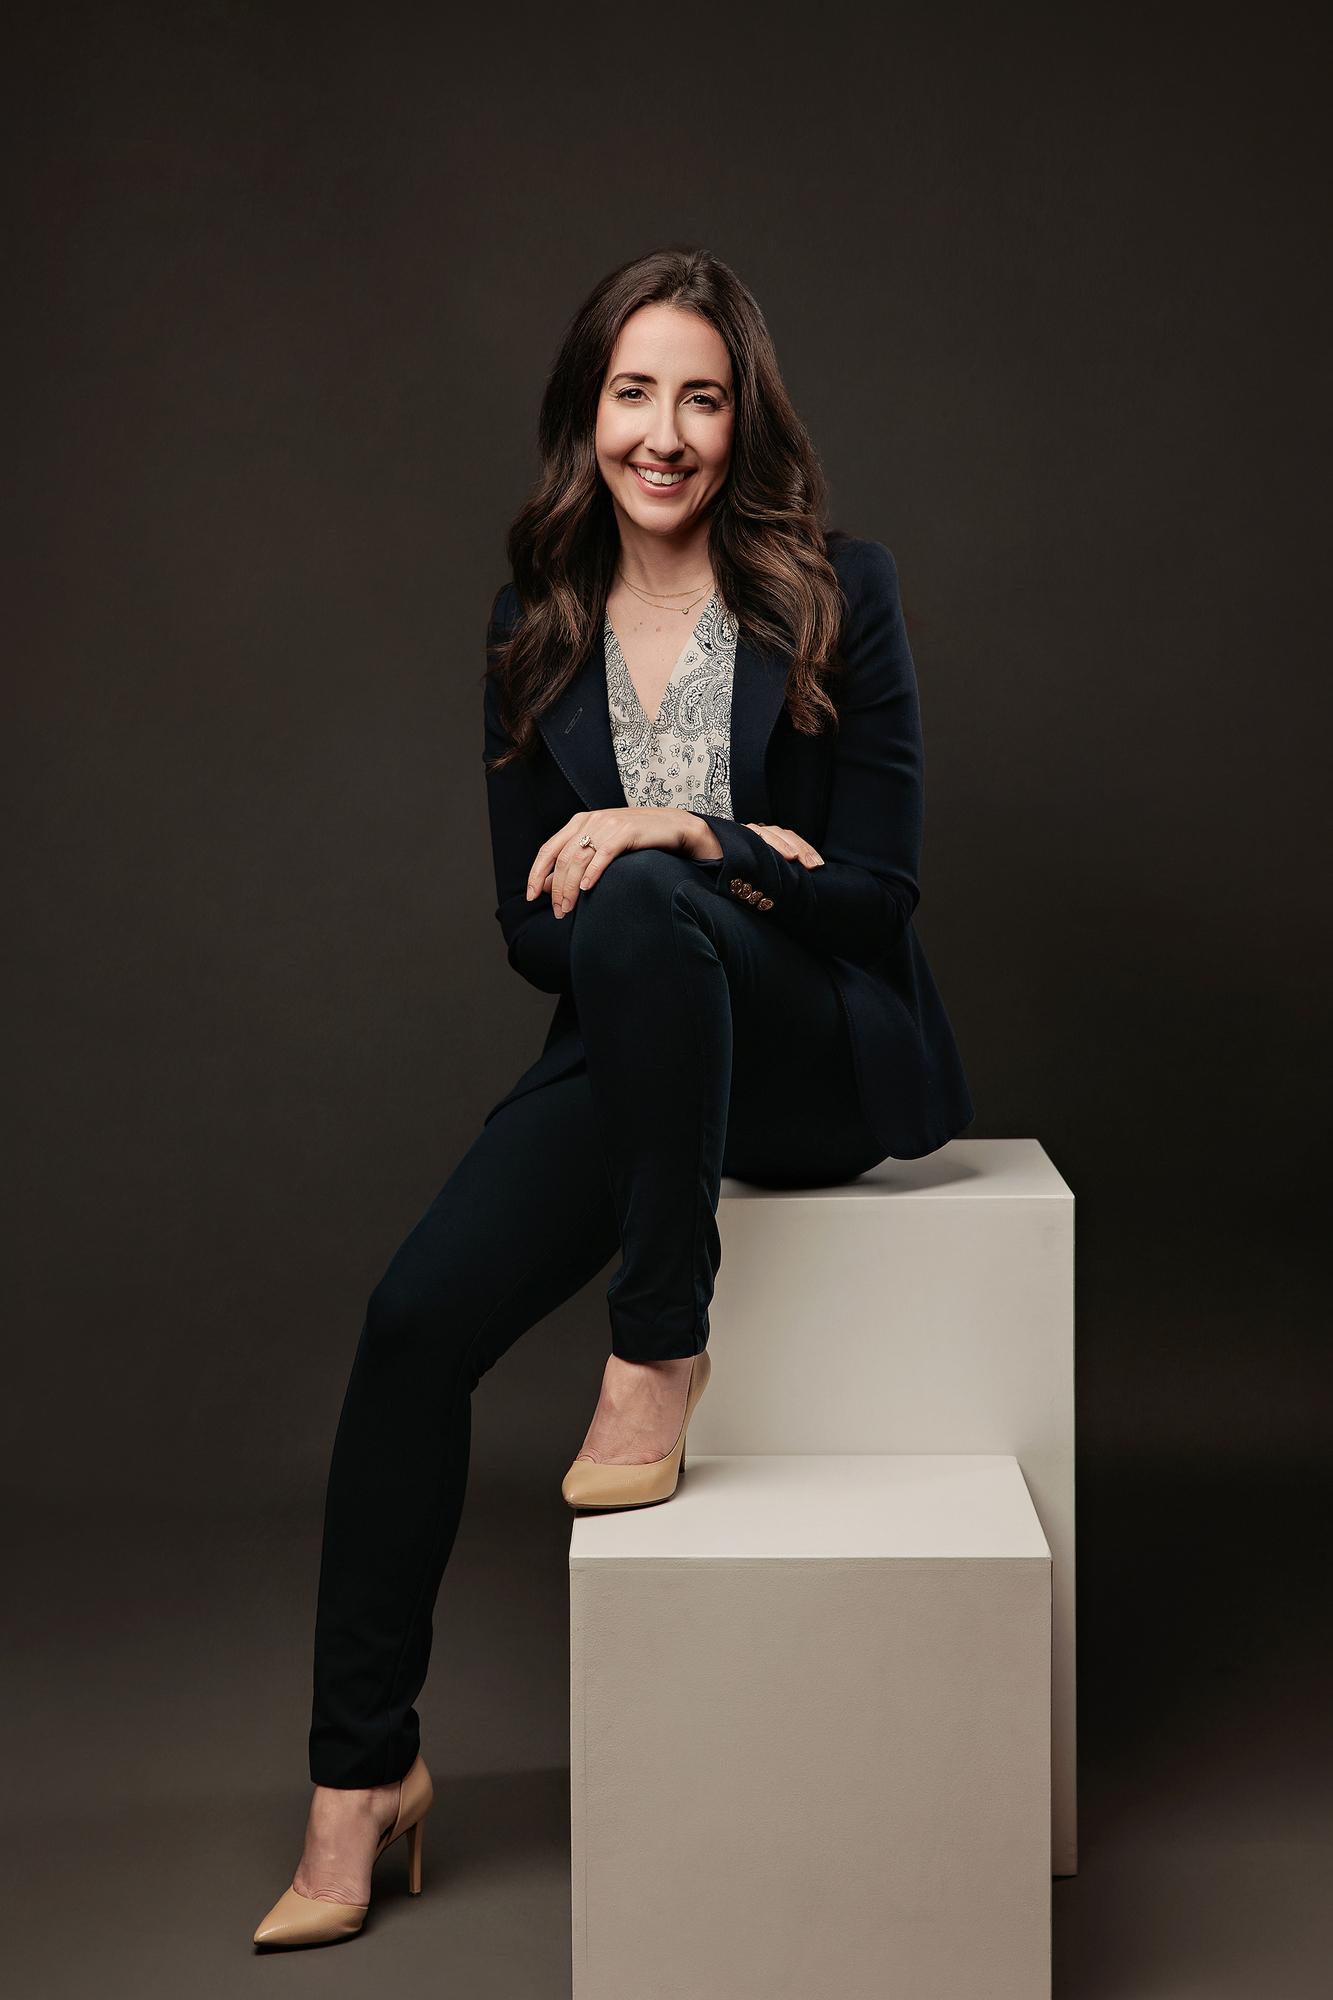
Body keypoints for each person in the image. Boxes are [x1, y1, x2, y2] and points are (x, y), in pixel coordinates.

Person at [252, 245, 974, 1950]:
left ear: (745, 420)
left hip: (808, 1053)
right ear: (589, 414)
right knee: (411, 1321)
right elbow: (526, 933)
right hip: (632, 1040)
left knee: (650, 891)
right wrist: (707, 875)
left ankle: (661, 1343)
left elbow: (876, 894)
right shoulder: (534, 624)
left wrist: (688, 840)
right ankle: (362, 1782)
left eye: (702, 396)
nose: (666, 433)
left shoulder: (836, 593)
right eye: (634, 392)